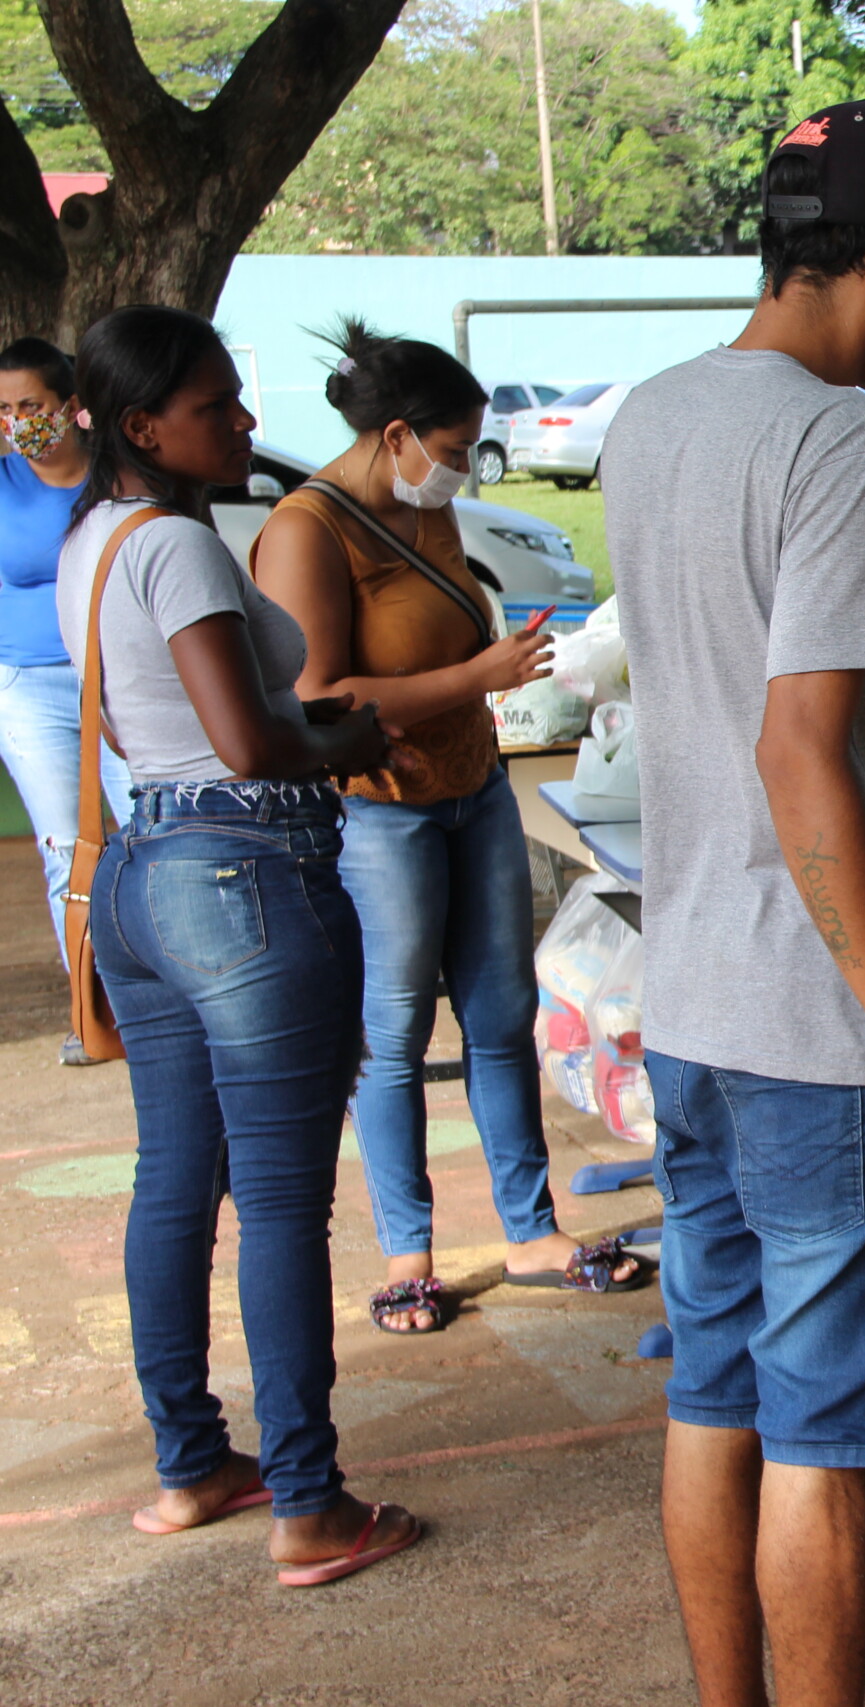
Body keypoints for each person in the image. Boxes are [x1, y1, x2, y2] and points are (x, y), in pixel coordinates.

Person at [602, 100, 865, 1707]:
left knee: (713, 1397)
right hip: (819, 1027)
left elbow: (751, 711)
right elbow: (799, 749)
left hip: (698, 999)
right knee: (826, 1438)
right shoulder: (838, 437)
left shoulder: (652, 416)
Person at [61, 304, 419, 1584]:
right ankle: (311, 1506)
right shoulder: (184, 551)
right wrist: (350, 739)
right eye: (218, 406)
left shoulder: (91, 541)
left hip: (145, 879)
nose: (246, 423)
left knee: (175, 1179)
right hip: (244, 873)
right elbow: (254, 746)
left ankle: (193, 1464)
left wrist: (296, 720)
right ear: (144, 425)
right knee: (276, 1199)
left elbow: (170, 724)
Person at [251, 318, 644, 1336]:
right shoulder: (307, 529)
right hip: (383, 815)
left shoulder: (422, 515)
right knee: (391, 1035)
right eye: (455, 451)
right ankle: (407, 1252)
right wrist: (478, 676)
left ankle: (531, 1230)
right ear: (395, 435)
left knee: (500, 1014)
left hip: (471, 791)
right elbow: (318, 696)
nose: (461, 473)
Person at [0, 335, 134, 1064]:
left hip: (116, 682)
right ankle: (97, 1016)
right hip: (28, 687)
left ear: (72, 408)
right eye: (5, 408)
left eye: (32, 405)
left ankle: (166, 999)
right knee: (68, 850)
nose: (19, 421)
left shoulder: (115, 477)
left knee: (152, 828)